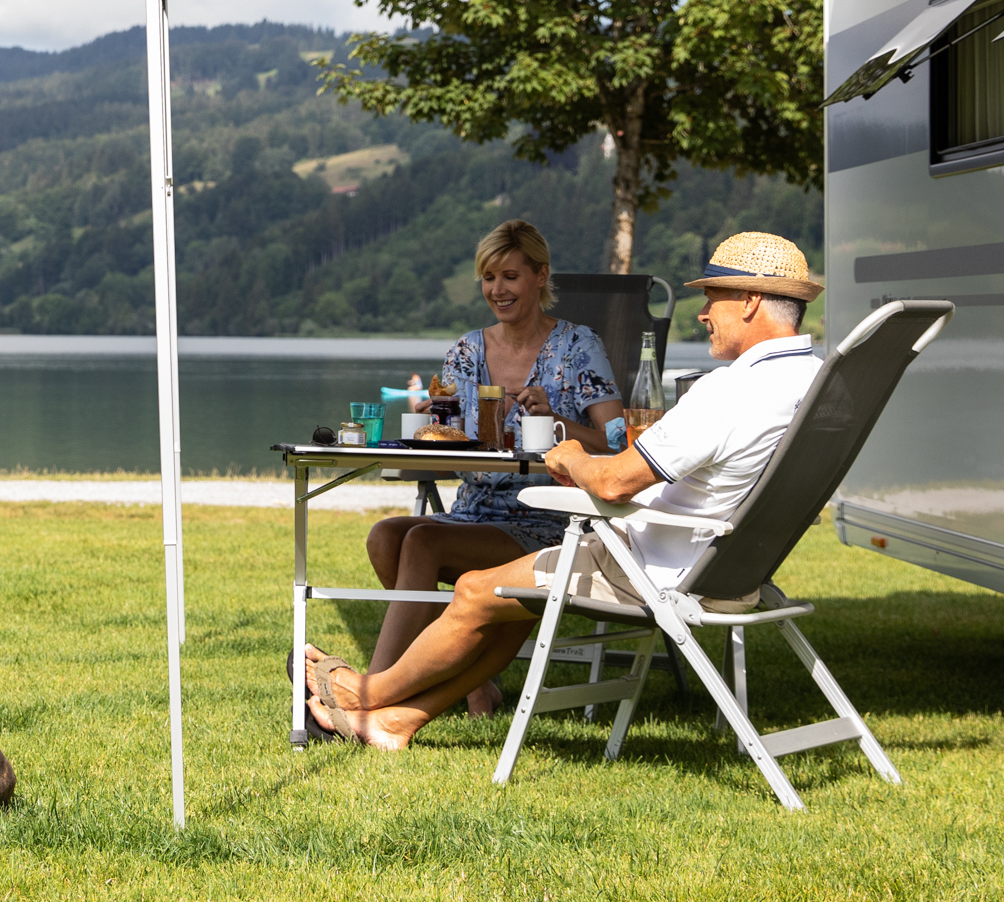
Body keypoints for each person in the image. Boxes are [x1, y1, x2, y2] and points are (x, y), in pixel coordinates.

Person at [305, 231, 823, 749]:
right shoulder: (814, 381)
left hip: (654, 564)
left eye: (711, 298)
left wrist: (570, 454)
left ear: (750, 301)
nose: (703, 314)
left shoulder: (728, 391)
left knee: (479, 591)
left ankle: (363, 693)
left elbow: (616, 478)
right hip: (722, 569)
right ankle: (396, 722)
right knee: (495, 594)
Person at [355, 219, 624, 713]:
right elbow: (453, 435)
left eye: (510, 276)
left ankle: (369, 696)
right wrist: (435, 424)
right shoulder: (466, 350)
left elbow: (618, 442)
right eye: (488, 277)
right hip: (474, 510)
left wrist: (558, 421)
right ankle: (472, 683)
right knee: (385, 536)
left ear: (540, 276)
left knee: (423, 540)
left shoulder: (577, 347)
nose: (497, 289)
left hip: (549, 517)